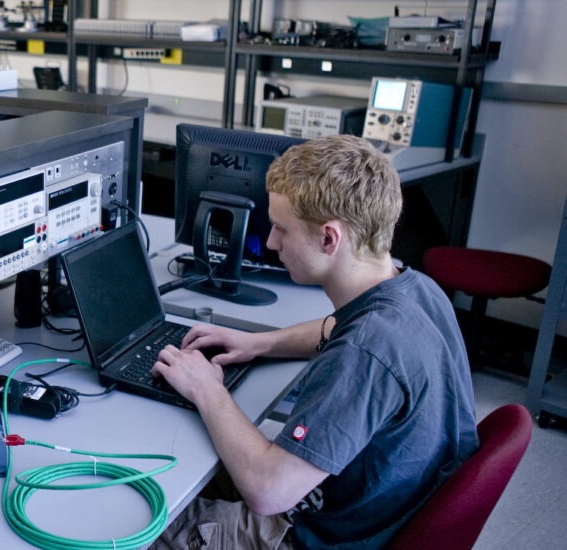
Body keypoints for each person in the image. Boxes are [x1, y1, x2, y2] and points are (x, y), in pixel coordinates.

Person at [149, 135, 479, 549]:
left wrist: (207, 390)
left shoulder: (364, 353)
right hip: (376, 507)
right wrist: (260, 343)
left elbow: (267, 492)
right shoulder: (415, 290)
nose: (270, 243)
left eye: (282, 229)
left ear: (329, 239)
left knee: (137, 520)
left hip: (313, 534)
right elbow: (337, 329)